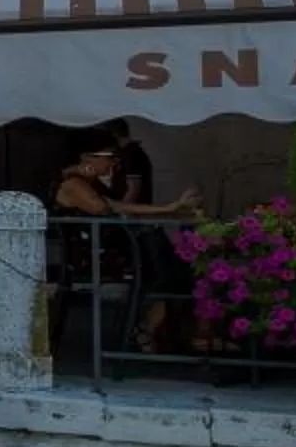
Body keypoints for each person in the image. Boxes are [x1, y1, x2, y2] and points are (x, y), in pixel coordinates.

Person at [54, 143, 197, 352]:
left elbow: (117, 206)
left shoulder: (89, 184)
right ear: (88, 158)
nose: (114, 163)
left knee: (173, 270)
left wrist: (170, 208)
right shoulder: (73, 184)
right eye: (109, 158)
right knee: (168, 269)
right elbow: (103, 207)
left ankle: (149, 327)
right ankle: (145, 328)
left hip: (115, 250)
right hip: (95, 256)